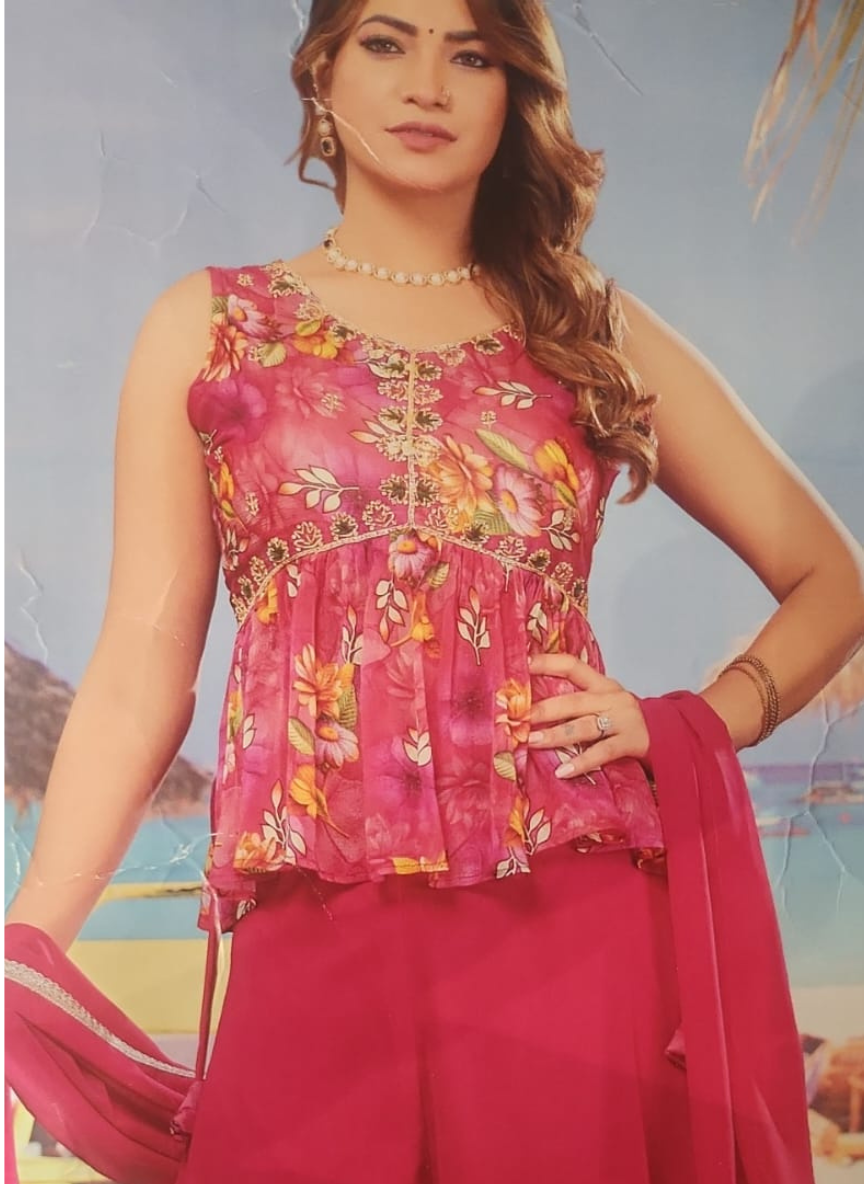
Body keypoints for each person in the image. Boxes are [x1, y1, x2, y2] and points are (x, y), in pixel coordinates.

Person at [5, 1, 863, 1181]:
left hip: (569, 923)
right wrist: (27, 945)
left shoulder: (582, 326)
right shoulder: (213, 330)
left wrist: (696, 720)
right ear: (322, 71)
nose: (428, 84)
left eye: (472, 55)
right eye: (387, 41)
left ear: (516, 92)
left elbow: (832, 578)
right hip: (309, 918)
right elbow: (139, 669)